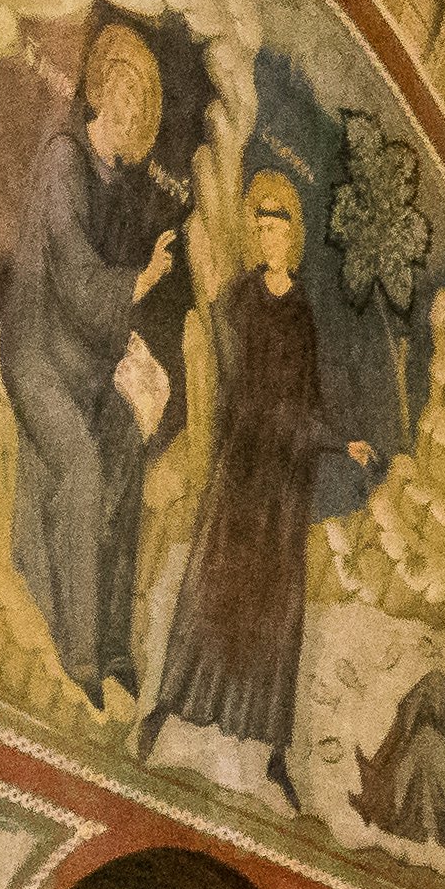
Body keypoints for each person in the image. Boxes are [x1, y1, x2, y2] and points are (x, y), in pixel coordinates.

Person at [153, 168, 376, 790]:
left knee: (275, 610)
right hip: (243, 468)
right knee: (211, 587)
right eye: (259, 227)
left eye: (276, 228)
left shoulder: (301, 313)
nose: (266, 238)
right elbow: (232, 382)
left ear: (292, 236)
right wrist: (301, 432)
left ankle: (274, 751)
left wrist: (338, 441)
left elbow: (307, 400)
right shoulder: (240, 300)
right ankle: (168, 708)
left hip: (283, 485)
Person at [1, 20, 193, 719]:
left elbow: (107, 301)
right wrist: (141, 282)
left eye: (143, 101)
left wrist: (134, 352)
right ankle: (78, 653)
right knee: (82, 466)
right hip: (37, 354)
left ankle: (114, 645)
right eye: (124, 91)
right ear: (101, 88)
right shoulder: (63, 161)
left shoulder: (120, 186)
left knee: (128, 446)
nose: (131, 108)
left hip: (86, 360)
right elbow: (77, 274)